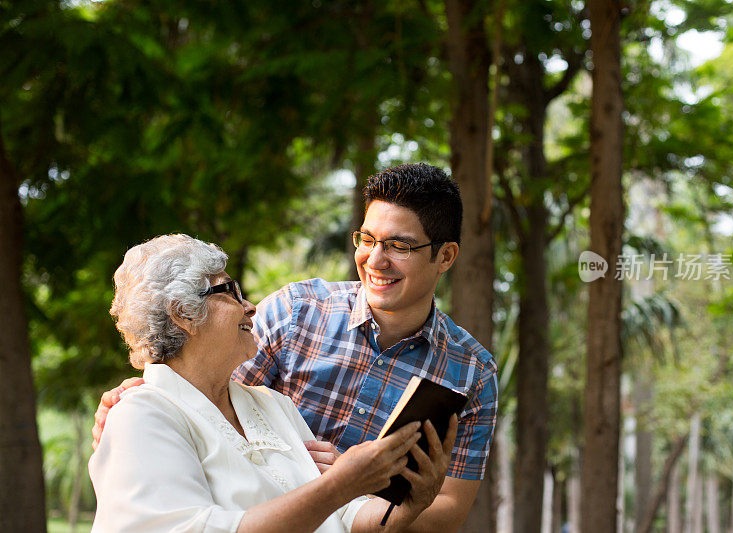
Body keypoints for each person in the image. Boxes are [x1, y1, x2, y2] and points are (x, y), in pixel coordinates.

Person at [94, 163, 498, 531]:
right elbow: (194, 386)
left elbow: (380, 513)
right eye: (368, 239)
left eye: (399, 246)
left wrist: (409, 500)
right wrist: (138, 394)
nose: (375, 260)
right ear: (183, 311)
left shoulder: (471, 371)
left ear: (445, 256)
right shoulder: (296, 313)